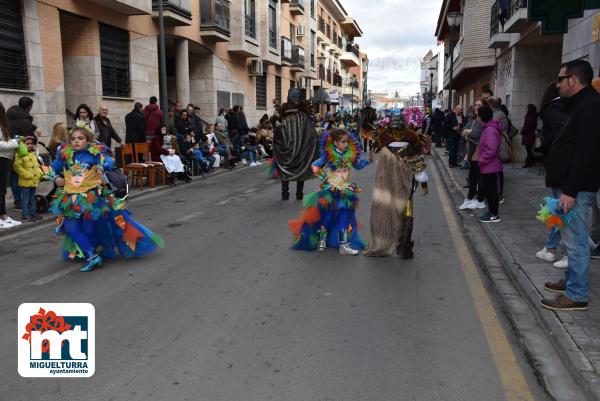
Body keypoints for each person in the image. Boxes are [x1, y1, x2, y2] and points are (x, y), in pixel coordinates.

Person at [49, 126, 163, 272]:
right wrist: (57, 178)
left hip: (92, 198)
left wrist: (103, 167)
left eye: (80, 138)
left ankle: (97, 248)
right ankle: (92, 256)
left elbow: (109, 161)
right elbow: (51, 169)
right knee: (71, 227)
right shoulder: (66, 155)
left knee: (90, 229)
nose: (76, 141)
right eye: (73, 139)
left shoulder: (94, 154)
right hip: (72, 198)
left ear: (88, 140)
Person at [541, 60, 600, 311]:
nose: (558, 84)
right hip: (565, 186)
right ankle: (570, 284)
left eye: (560, 79)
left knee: (576, 242)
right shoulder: (579, 105)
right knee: (569, 237)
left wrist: (570, 191)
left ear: (573, 80)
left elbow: (586, 153)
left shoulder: (590, 107)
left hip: (573, 189)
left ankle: (576, 294)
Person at [288, 128, 372, 254]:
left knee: (344, 215)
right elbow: (315, 166)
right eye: (342, 142)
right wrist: (324, 178)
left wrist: (368, 161)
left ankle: (343, 245)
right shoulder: (328, 154)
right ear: (335, 143)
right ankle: (322, 240)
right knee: (327, 215)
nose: (346, 144)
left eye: (346, 141)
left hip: (344, 190)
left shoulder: (350, 154)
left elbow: (358, 166)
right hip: (330, 190)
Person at [363, 120, 429, 259]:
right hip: (405, 185)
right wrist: (424, 185)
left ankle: (384, 242)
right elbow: (419, 169)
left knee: (385, 210)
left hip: (385, 186)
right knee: (407, 211)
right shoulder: (411, 145)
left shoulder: (384, 146)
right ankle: (404, 247)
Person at [272, 88, 320, 200]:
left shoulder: (282, 117)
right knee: (301, 172)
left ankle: (285, 194)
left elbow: (277, 136)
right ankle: (299, 194)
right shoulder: (304, 117)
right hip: (301, 152)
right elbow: (312, 136)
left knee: (285, 171)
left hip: (285, 151)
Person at [476, 105, 503, 223]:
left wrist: (481, 159)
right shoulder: (488, 128)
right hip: (487, 167)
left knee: (492, 192)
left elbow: (491, 149)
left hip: (490, 167)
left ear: (482, 117)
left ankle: (494, 215)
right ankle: (491, 212)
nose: (477, 118)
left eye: (478, 116)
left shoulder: (490, 130)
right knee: (488, 191)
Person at [459, 99, 487, 210]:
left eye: (479, 105)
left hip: (479, 150)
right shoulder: (473, 118)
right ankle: (470, 198)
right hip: (472, 150)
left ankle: (479, 200)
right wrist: (467, 131)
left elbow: (475, 134)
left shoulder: (482, 120)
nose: (476, 107)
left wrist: (467, 133)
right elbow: (464, 129)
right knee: (473, 176)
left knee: (478, 176)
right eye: (475, 105)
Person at [0, 102, 22, 229]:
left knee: (2, 189)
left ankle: (3, 216)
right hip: (1, 158)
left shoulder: (3, 124)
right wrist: (14, 143)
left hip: (3, 159)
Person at [13, 135, 43, 222]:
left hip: (34, 181)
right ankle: (25, 215)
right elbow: (17, 167)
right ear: (23, 145)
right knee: (25, 199)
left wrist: (40, 173)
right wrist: (27, 175)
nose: (30, 145)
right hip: (26, 181)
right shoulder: (20, 155)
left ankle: (32, 213)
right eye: (27, 144)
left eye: (31, 144)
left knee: (32, 199)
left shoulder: (33, 154)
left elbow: (36, 166)